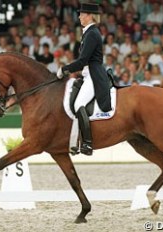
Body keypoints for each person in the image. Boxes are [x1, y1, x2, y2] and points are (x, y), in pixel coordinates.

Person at [57, 3, 112, 156]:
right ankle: (75, 142)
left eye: (82, 14)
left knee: (79, 104)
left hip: (94, 75)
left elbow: (82, 61)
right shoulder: (88, 32)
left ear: (90, 16)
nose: (80, 16)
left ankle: (87, 143)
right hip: (88, 74)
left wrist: (64, 69)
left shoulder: (92, 33)